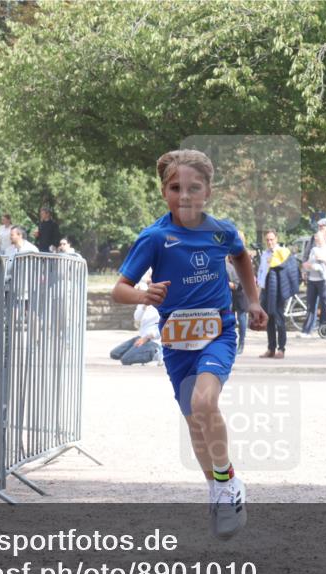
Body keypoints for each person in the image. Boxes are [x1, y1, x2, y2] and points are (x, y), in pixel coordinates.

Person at [111, 149, 266, 539]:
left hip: (218, 333)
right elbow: (119, 290)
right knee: (195, 425)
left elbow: (242, 258)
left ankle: (228, 482)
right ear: (164, 192)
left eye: (193, 188)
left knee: (204, 403)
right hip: (177, 344)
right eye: (175, 188)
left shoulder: (222, 231)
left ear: (208, 191)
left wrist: (253, 300)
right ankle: (217, 491)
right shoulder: (155, 237)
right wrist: (144, 296)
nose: (185, 196)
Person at [256, 229, 299, 358]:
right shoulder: (264, 254)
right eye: (267, 240)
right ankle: (271, 348)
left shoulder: (283, 253)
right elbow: (261, 274)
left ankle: (281, 349)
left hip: (278, 291)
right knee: (268, 319)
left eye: (272, 239)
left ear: (276, 239)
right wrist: (258, 292)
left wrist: (286, 287)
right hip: (265, 290)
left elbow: (291, 271)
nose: (269, 242)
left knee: (279, 319)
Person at [110, 280, 163, 366]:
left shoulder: (162, 303)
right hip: (141, 337)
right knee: (115, 354)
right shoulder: (144, 301)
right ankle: (138, 352)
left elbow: (162, 327)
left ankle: (156, 353)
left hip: (153, 340)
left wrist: (146, 338)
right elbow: (137, 318)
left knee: (125, 359)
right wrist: (144, 306)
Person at [299, 231, 326, 338]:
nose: (315, 239)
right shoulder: (313, 249)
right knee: (310, 305)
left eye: (317, 237)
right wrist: (306, 268)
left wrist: (323, 259)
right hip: (312, 280)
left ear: (324, 238)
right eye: (315, 237)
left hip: (324, 280)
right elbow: (309, 262)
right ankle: (307, 331)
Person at [226, 252, 249, 354]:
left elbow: (237, 284)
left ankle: (242, 342)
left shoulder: (243, 260)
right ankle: (231, 344)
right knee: (231, 320)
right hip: (230, 296)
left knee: (241, 318)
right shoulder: (227, 265)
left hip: (241, 294)